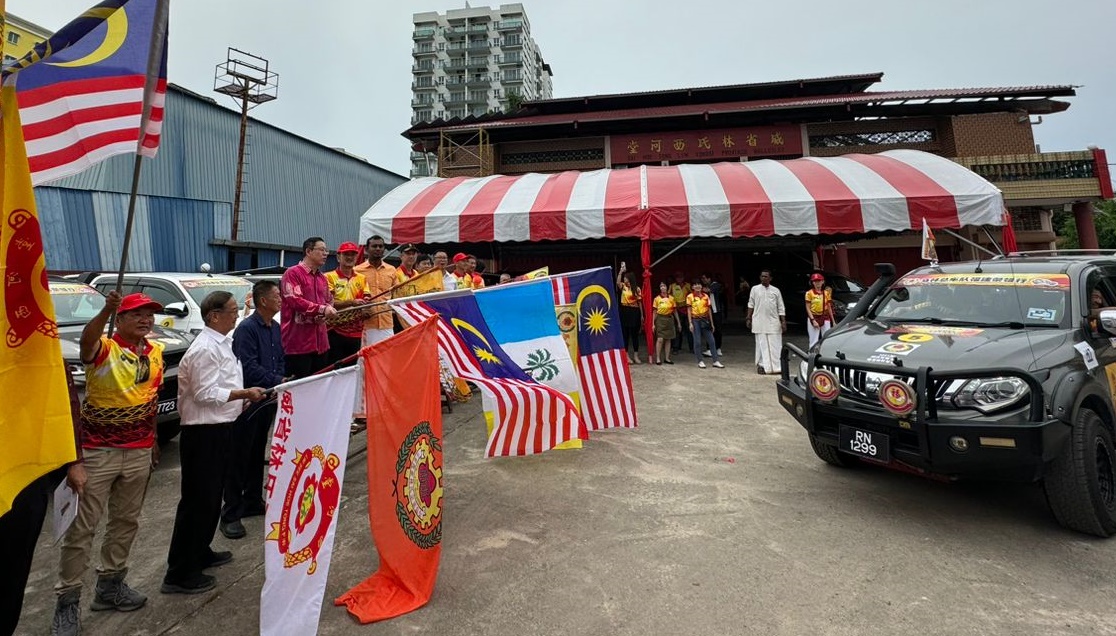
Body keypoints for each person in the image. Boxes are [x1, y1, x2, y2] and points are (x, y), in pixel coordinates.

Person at [51, 291, 166, 634]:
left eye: (150, 315)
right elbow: (87, 344)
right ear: (121, 320)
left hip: (140, 449)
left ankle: (110, 586)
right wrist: (105, 309)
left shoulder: (155, 352)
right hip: (98, 452)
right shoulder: (104, 349)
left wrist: (155, 441)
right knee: (81, 529)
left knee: (125, 522)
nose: (146, 320)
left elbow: (152, 400)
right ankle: (67, 601)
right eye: (137, 315)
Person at [163, 291, 266, 595]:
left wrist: (240, 400)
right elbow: (205, 394)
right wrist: (243, 394)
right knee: (198, 500)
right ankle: (180, 571)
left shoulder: (223, 343)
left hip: (222, 427)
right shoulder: (205, 349)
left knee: (212, 497)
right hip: (203, 432)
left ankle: (201, 550)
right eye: (233, 311)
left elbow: (223, 385)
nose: (237, 315)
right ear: (214, 316)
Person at [4, 363, 80, 636]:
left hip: (23, 478)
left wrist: (75, 461)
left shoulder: (38, 351)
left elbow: (64, 407)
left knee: (12, 572)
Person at [221, 280, 285, 541]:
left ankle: (252, 500)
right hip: (248, 400)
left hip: (267, 399)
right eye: (276, 295)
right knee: (239, 455)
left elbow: (280, 358)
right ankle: (231, 513)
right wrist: (276, 380)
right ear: (263, 301)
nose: (281, 298)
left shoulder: (275, 327)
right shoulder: (247, 329)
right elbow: (247, 366)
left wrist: (279, 378)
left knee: (258, 450)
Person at [354, 235, 397, 426]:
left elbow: (395, 296)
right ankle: (363, 411)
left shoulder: (391, 270)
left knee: (387, 367)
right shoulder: (357, 271)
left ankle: (383, 406)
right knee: (364, 368)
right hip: (366, 327)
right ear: (367, 249)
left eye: (381, 246)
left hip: (387, 324)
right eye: (374, 246)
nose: (378, 249)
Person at [280, 237, 336, 378]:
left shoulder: (322, 278)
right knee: (299, 388)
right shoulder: (293, 273)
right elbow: (295, 300)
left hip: (321, 343)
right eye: (322, 250)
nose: (326, 254)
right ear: (309, 251)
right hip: (299, 344)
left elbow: (329, 299)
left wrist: (325, 310)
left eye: (326, 250)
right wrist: (322, 310)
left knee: (320, 386)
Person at [324, 241, 369, 365]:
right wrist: (352, 303)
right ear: (338, 257)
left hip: (356, 332)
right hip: (334, 330)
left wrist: (366, 308)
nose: (350, 257)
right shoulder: (328, 277)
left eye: (353, 255)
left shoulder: (362, 278)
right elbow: (329, 303)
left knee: (351, 368)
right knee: (334, 368)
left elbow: (366, 300)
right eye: (346, 254)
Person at [747, 270, 786, 374]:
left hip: (773, 322)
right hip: (759, 321)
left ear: (770, 278)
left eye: (766, 276)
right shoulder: (755, 289)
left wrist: (783, 321)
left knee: (776, 345)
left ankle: (777, 367)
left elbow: (781, 307)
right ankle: (762, 366)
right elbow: (751, 304)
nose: (763, 278)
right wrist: (748, 318)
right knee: (761, 345)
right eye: (762, 276)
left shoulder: (776, 290)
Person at [688, 281, 723, 369]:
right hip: (695, 320)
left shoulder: (706, 296)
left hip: (705, 320)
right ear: (692, 287)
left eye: (699, 284)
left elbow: (709, 310)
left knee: (711, 341)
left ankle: (715, 360)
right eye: (695, 284)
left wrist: (712, 323)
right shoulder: (690, 296)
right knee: (697, 341)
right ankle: (700, 361)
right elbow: (689, 310)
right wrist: (690, 323)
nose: (697, 286)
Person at [617, 265, 643, 364]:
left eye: (626, 278)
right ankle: (626, 356)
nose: (624, 279)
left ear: (630, 279)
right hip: (624, 311)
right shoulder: (623, 287)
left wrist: (641, 315)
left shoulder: (637, 289)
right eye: (624, 278)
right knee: (625, 334)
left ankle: (636, 355)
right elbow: (617, 282)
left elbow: (640, 302)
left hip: (634, 311)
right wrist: (621, 271)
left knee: (635, 335)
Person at [652, 282, 680, 365]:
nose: (663, 288)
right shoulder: (657, 299)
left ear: (667, 288)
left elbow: (675, 311)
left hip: (669, 319)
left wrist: (678, 322)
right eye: (661, 286)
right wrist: (653, 323)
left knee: (668, 339)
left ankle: (667, 358)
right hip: (660, 319)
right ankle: (658, 358)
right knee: (660, 339)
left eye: (664, 286)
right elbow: (654, 312)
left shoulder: (671, 298)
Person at [805, 273, 836, 347]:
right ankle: (812, 355)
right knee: (814, 340)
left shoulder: (826, 293)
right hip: (814, 317)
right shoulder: (809, 293)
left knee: (826, 338)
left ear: (823, 282)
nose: (817, 283)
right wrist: (813, 320)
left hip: (825, 317)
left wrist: (833, 321)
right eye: (815, 281)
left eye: (819, 281)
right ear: (813, 283)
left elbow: (829, 307)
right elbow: (808, 308)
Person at [701, 272, 726, 356]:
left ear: (709, 278)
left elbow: (708, 290)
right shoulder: (707, 286)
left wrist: (699, 288)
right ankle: (710, 349)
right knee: (709, 330)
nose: (703, 280)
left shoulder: (716, 285)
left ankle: (718, 348)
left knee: (718, 330)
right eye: (702, 279)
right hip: (708, 312)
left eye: (704, 278)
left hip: (716, 311)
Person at [669, 272, 692, 355]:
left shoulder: (688, 285)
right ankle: (676, 347)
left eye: (681, 277)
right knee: (677, 329)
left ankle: (692, 347)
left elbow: (692, 295)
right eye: (678, 277)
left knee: (689, 329)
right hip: (677, 310)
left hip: (686, 309)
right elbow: (669, 296)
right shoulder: (672, 286)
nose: (680, 279)